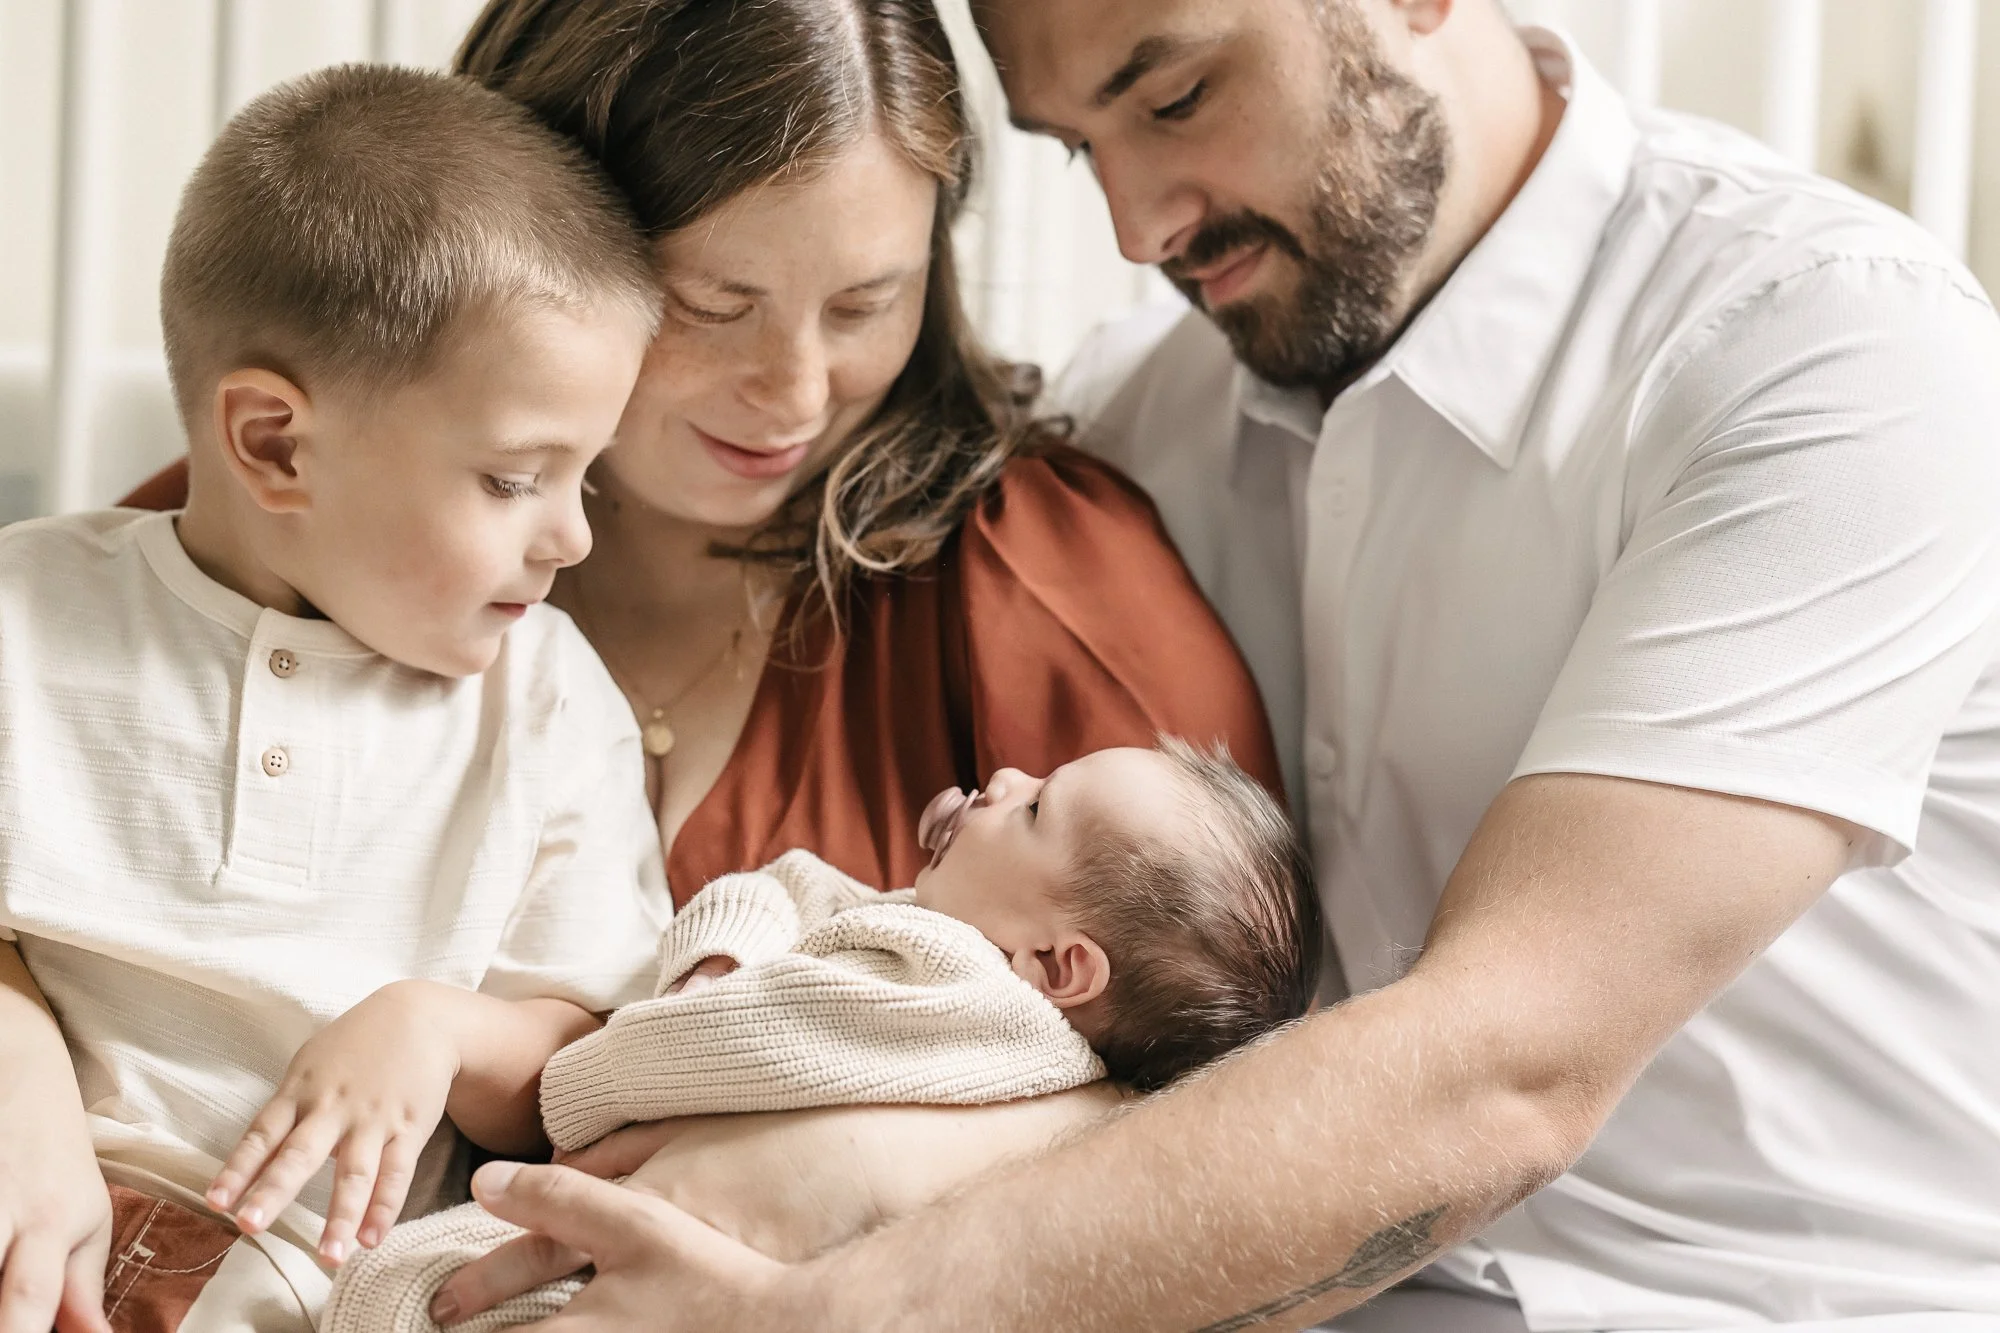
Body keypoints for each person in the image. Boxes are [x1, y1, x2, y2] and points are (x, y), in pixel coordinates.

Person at [431, 1, 2000, 1331]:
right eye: (1075, 149)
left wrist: (843, 1296)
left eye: (1174, 94)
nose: (1135, 227)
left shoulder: (1826, 351)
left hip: (1782, 1296)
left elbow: (1508, 1070)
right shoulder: (1150, 424)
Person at [0, 66, 676, 1333]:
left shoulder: (546, 710)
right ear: (274, 445)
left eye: (585, 476)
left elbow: (582, 1070)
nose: (572, 538)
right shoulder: (26, 618)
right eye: (514, 479)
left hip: (315, 1288)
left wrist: (438, 1031)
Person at [324, 741, 1321, 1332]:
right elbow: (800, 889)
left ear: (1057, 967)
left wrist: (602, 1065)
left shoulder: (954, 992)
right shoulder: (942, 953)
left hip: (633, 1249)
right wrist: (726, 954)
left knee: (395, 1291)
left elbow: (701, 1049)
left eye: (1034, 808)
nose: (1006, 773)